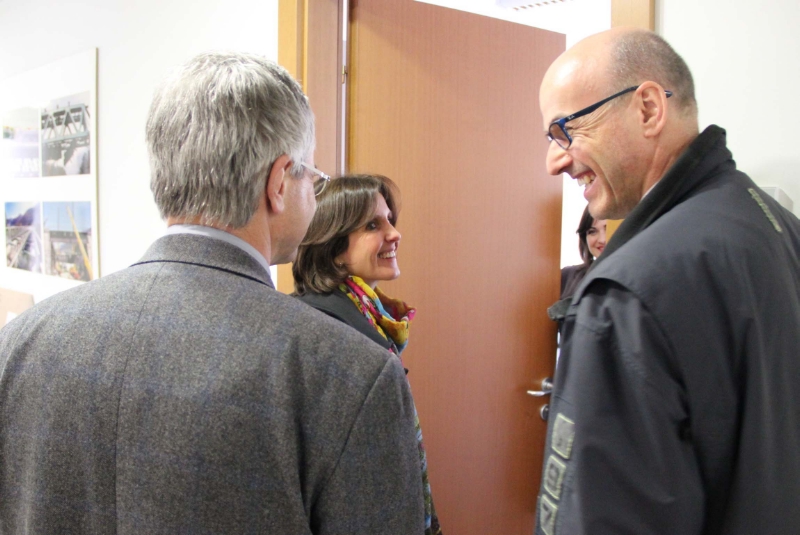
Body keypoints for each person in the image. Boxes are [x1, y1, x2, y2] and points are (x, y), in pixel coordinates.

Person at [0, 52, 425, 534]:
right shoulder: (349, 376)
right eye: (312, 176)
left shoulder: (20, 343)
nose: (313, 190)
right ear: (279, 183)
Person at [536, 28, 800, 534]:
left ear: (649, 109)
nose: (555, 161)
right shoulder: (776, 227)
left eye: (566, 129)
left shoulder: (627, 293)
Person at [293, 174, 442, 535]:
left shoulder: (369, 318)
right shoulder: (330, 332)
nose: (394, 233)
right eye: (373, 225)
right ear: (332, 246)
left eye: (389, 220)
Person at [560, 206, 607, 300]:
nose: (602, 240)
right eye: (592, 232)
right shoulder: (567, 276)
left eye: (608, 229)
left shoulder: (633, 277)